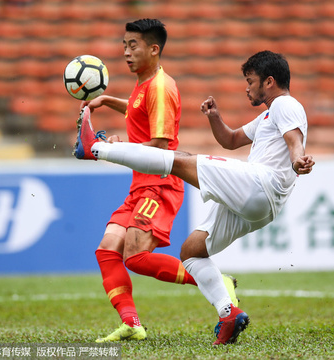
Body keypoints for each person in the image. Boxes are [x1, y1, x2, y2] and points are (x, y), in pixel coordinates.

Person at [74, 50, 315, 345]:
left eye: (250, 81)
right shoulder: (267, 115)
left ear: (269, 82)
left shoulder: (285, 105)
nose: (246, 87)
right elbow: (230, 140)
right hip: (262, 205)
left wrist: (297, 161)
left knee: (179, 160)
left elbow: (294, 141)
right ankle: (228, 313)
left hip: (260, 183)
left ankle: (96, 149)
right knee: (191, 252)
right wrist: (215, 118)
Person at [74, 19, 238, 343]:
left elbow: (161, 146)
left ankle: (220, 282)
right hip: (140, 185)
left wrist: (113, 149)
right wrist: (106, 100)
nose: (126, 52)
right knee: (107, 249)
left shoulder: (161, 88)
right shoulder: (144, 84)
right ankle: (132, 323)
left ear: (154, 49)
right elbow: (136, 111)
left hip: (160, 184)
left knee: (135, 256)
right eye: (124, 45)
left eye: (133, 45)